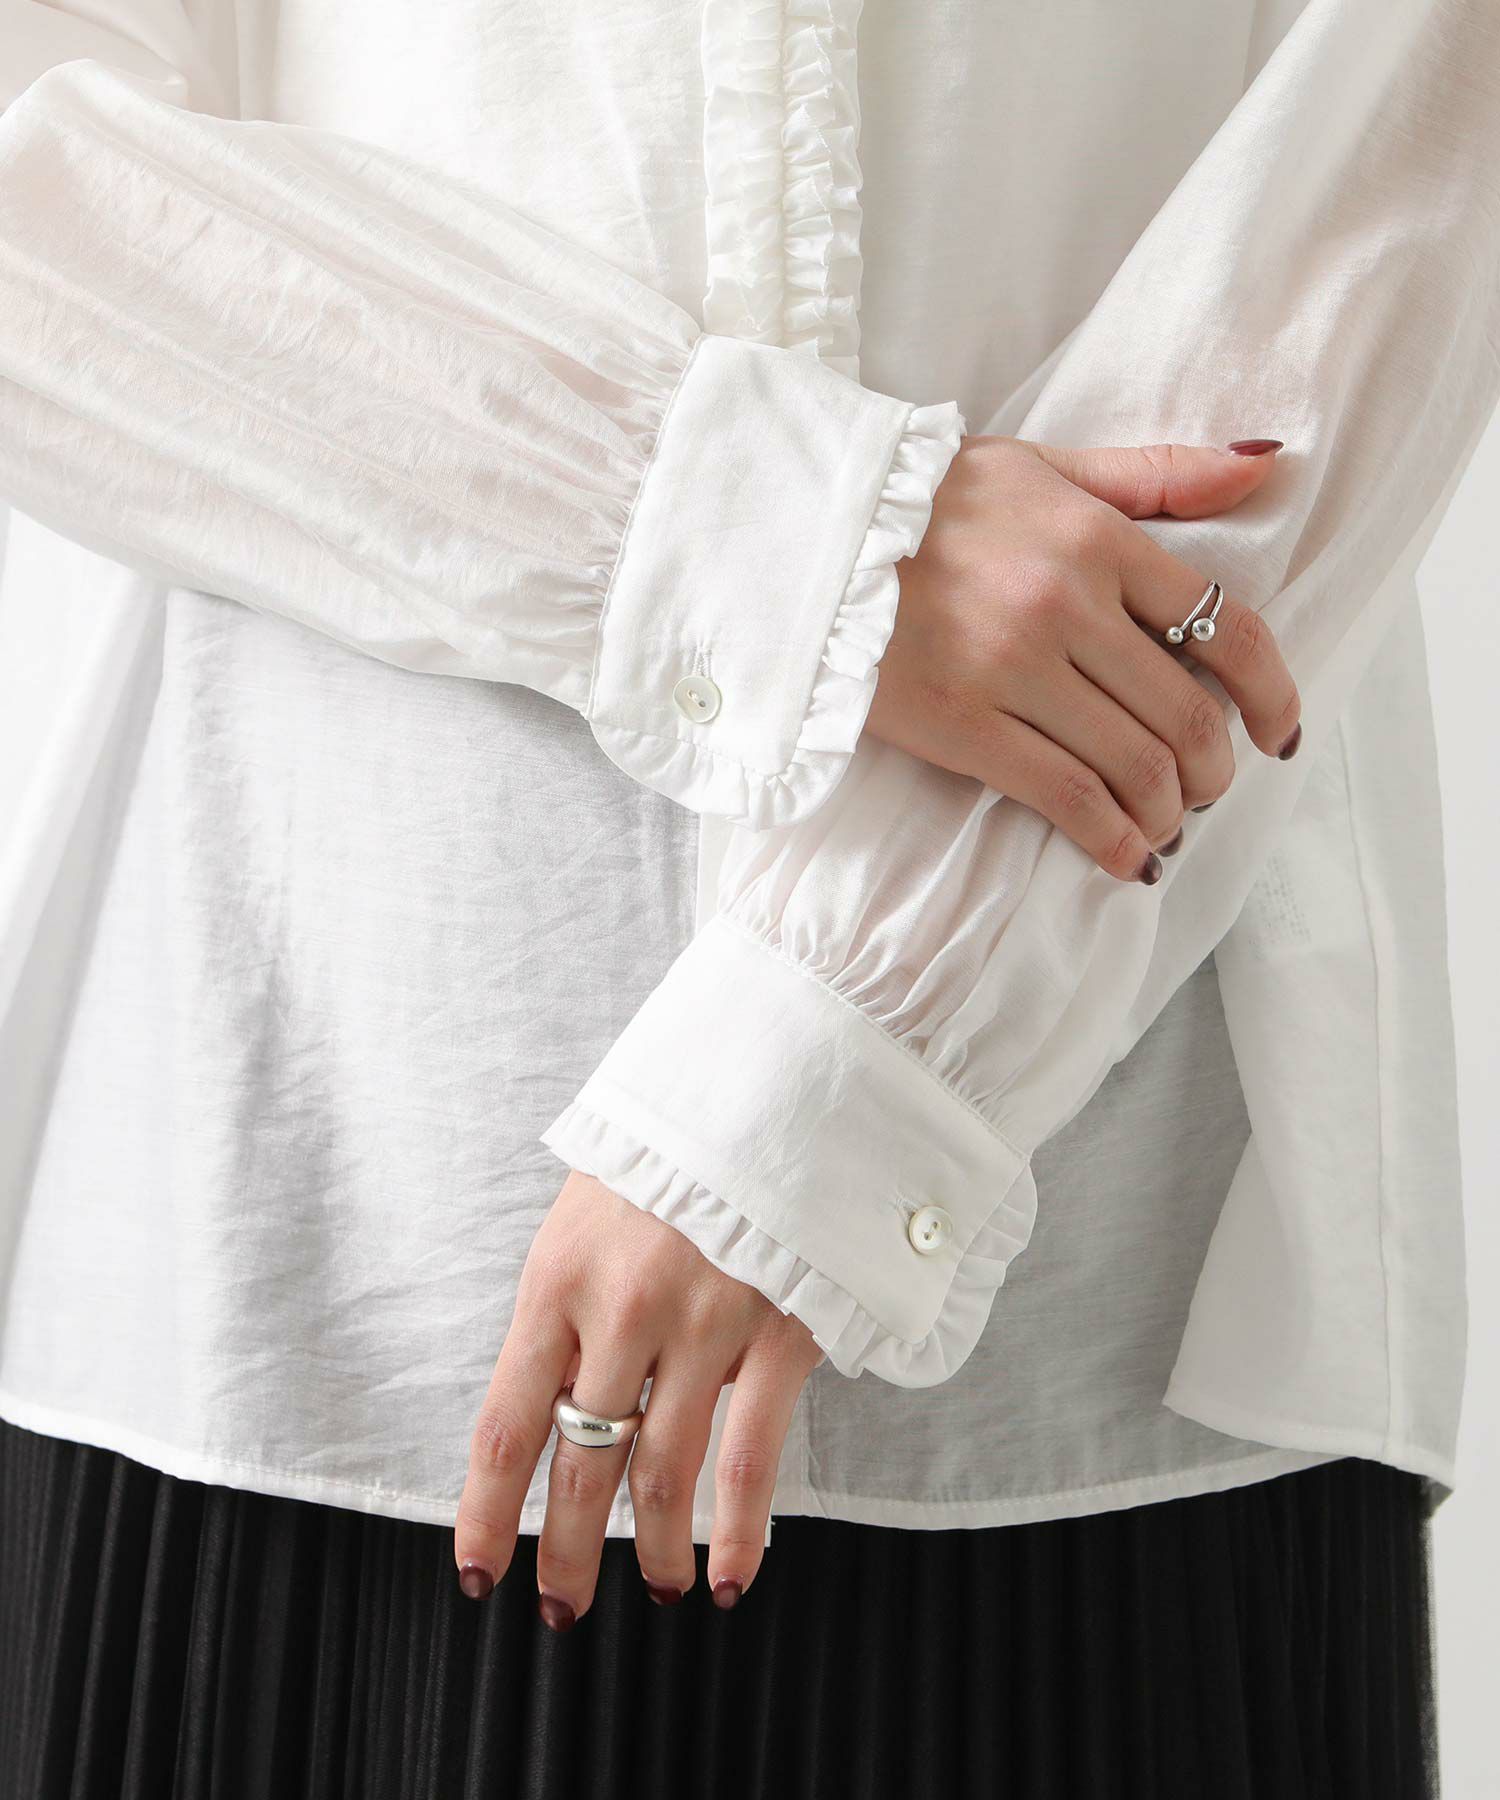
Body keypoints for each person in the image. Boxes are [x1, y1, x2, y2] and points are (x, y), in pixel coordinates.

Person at [0, 1, 1493, 1794]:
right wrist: (793, 545)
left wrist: (836, 1059)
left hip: (1091, 1271)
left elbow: (1396, 185)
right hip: (324, 1186)